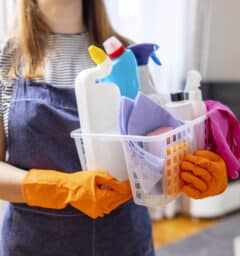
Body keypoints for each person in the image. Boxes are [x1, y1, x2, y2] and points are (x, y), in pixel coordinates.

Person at [0, 0, 228, 255]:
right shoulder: (5, 61)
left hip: (125, 241)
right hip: (34, 246)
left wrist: (192, 169)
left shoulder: (128, 56)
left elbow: (152, 144)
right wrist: (61, 189)